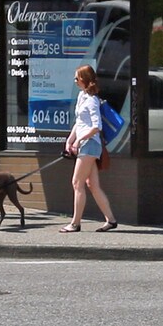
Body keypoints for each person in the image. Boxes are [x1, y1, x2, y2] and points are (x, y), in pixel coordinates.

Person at [63, 63, 118, 233]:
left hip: (90, 145)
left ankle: (75, 223)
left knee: (76, 182)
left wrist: (79, 140)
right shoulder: (82, 97)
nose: (75, 81)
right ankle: (111, 220)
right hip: (85, 144)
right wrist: (69, 141)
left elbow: (97, 126)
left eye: (77, 78)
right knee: (92, 185)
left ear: (84, 80)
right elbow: (80, 123)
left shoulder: (93, 101)